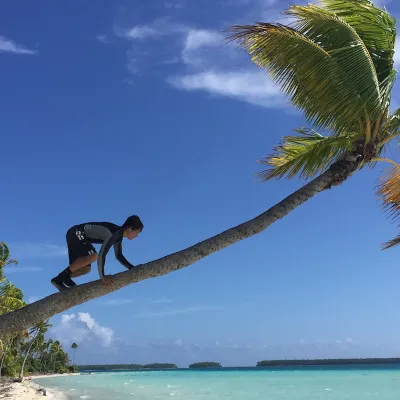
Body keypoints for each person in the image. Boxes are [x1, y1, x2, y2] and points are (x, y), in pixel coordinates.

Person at [51, 215, 143, 291]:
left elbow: (119, 256)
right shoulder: (115, 233)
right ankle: (62, 277)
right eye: (137, 232)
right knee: (93, 256)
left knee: (86, 269)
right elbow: (102, 254)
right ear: (130, 228)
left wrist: (132, 268)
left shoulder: (118, 238)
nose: (137, 236)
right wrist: (102, 277)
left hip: (77, 236)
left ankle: (60, 279)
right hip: (76, 233)